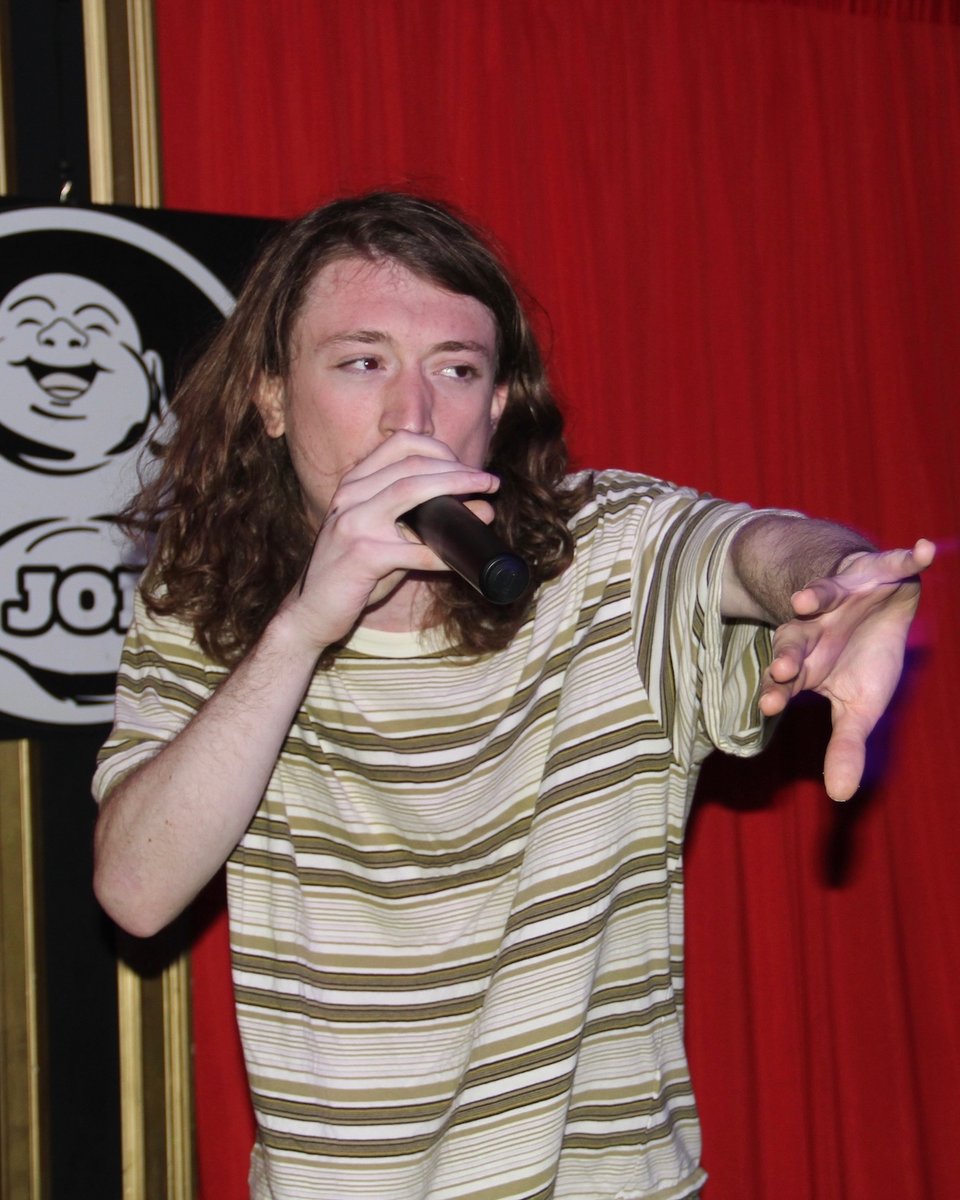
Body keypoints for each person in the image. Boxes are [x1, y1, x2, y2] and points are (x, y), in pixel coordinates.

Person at [92, 192, 934, 1200]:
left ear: (495, 411)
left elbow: (745, 547)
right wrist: (305, 626)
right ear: (273, 399)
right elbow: (136, 893)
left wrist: (834, 577)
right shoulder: (203, 608)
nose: (413, 417)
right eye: (362, 362)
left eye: (456, 371)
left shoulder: (601, 558)